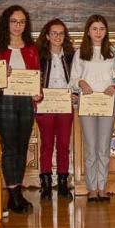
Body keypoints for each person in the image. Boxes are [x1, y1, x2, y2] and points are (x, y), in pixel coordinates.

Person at [0, 5, 42, 214]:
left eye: (22, 22)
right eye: (14, 21)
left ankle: (17, 192)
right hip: (5, 100)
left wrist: (37, 93)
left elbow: (36, 76)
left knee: (22, 147)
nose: (18, 26)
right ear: (7, 22)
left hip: (25, 102)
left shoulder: (31, 49)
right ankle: (13, 194)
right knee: (9, 147)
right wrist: (1, 74)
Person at [71, 15, 115, 203]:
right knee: (91, 146)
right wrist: (81, 82)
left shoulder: (113, 51)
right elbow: (73, 79)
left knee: (103, 145)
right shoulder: (80, 52)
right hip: (88, 101)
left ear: (106, 31)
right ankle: (91, 188)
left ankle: (102, 187)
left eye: (101, 28)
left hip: (108, 100)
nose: (98, 32)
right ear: (88, 31)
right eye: (94, 29)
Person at [36, 18, 75, 201]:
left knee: (64, 145)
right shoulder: (38, 56)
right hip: (45, 104)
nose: (57, 36)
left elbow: (77, 78)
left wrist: (75, 93)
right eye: (54, 33)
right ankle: (45, 184)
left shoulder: (71, 56)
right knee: (46, 144)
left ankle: (62, 183)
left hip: (65, 105)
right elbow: (33, 78)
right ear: (47, 35)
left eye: (61, 33)